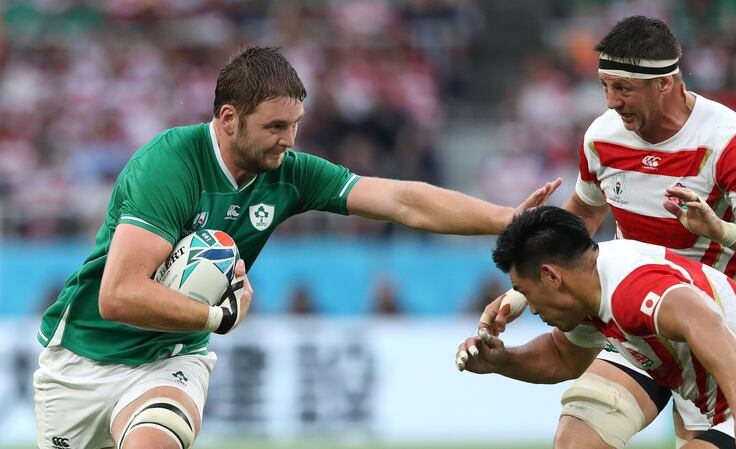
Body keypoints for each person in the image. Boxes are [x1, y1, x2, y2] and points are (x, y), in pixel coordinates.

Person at [32, 46, 559, 449]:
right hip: (83, 359)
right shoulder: (169, 164)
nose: (289, 140)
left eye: (296, 126)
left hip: (170, 359)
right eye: (276, 126)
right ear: (229, 119)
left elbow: (400, 200)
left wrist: (505, 217)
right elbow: (118, 296)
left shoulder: (290, 173)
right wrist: (217, 318)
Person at [478, 16, 736, 449]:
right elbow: (576, 227)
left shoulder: (725, 139)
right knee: (576, 440)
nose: (611, 102)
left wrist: (722, 230)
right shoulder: (602, 137)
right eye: (605, 86)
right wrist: (527, 289)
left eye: (624, 88)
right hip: (633, 322)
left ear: (665, 83)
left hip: (709, 331)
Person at [458, 206, 736, 449]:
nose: (531, 308)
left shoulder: (631, 288)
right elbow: (562, 358)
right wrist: (501, 362)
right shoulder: (588, 292)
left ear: (551, 276)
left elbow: (707, 324)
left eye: (527, 293)